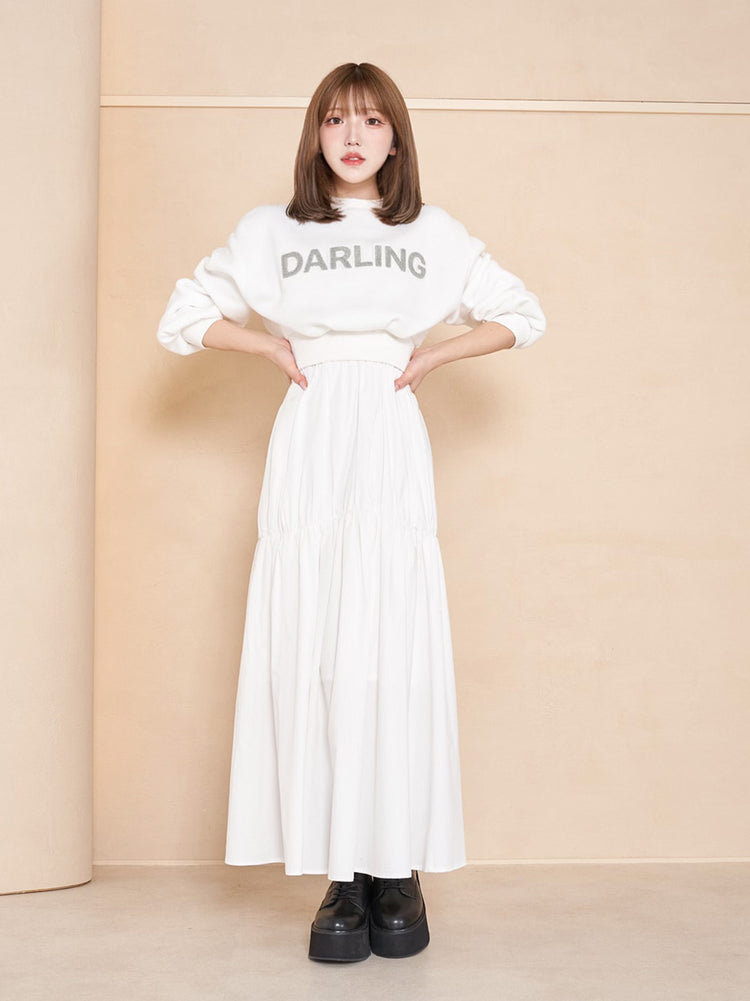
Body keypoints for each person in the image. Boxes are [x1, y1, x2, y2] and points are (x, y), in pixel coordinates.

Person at [156, 61, 546, 963]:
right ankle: (342, 869)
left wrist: (432, 357)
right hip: (311, 433)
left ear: (396, 137)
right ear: (316, 134)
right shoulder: (271, 230)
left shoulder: (432, 233)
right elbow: (183, 315)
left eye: (371, 120)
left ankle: (395, 865)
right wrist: (269, 347)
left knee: (389, 636)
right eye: (336, 120)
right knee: (321, 640)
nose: (354, 136)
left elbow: (520, 313)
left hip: (389, 430)